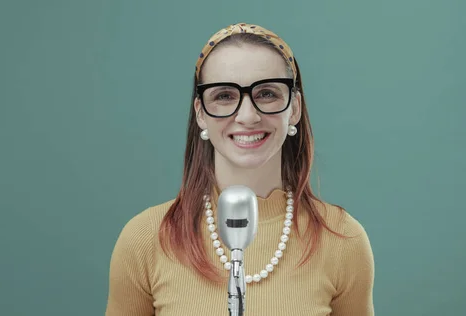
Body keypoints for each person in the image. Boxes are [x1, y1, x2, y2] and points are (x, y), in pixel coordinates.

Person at [105, 22, 375, 316]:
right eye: (224, 96)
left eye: (267, 94)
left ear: (294, 108)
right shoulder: (144, 238)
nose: (247, 116)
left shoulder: (342, 239)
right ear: (201, 113)